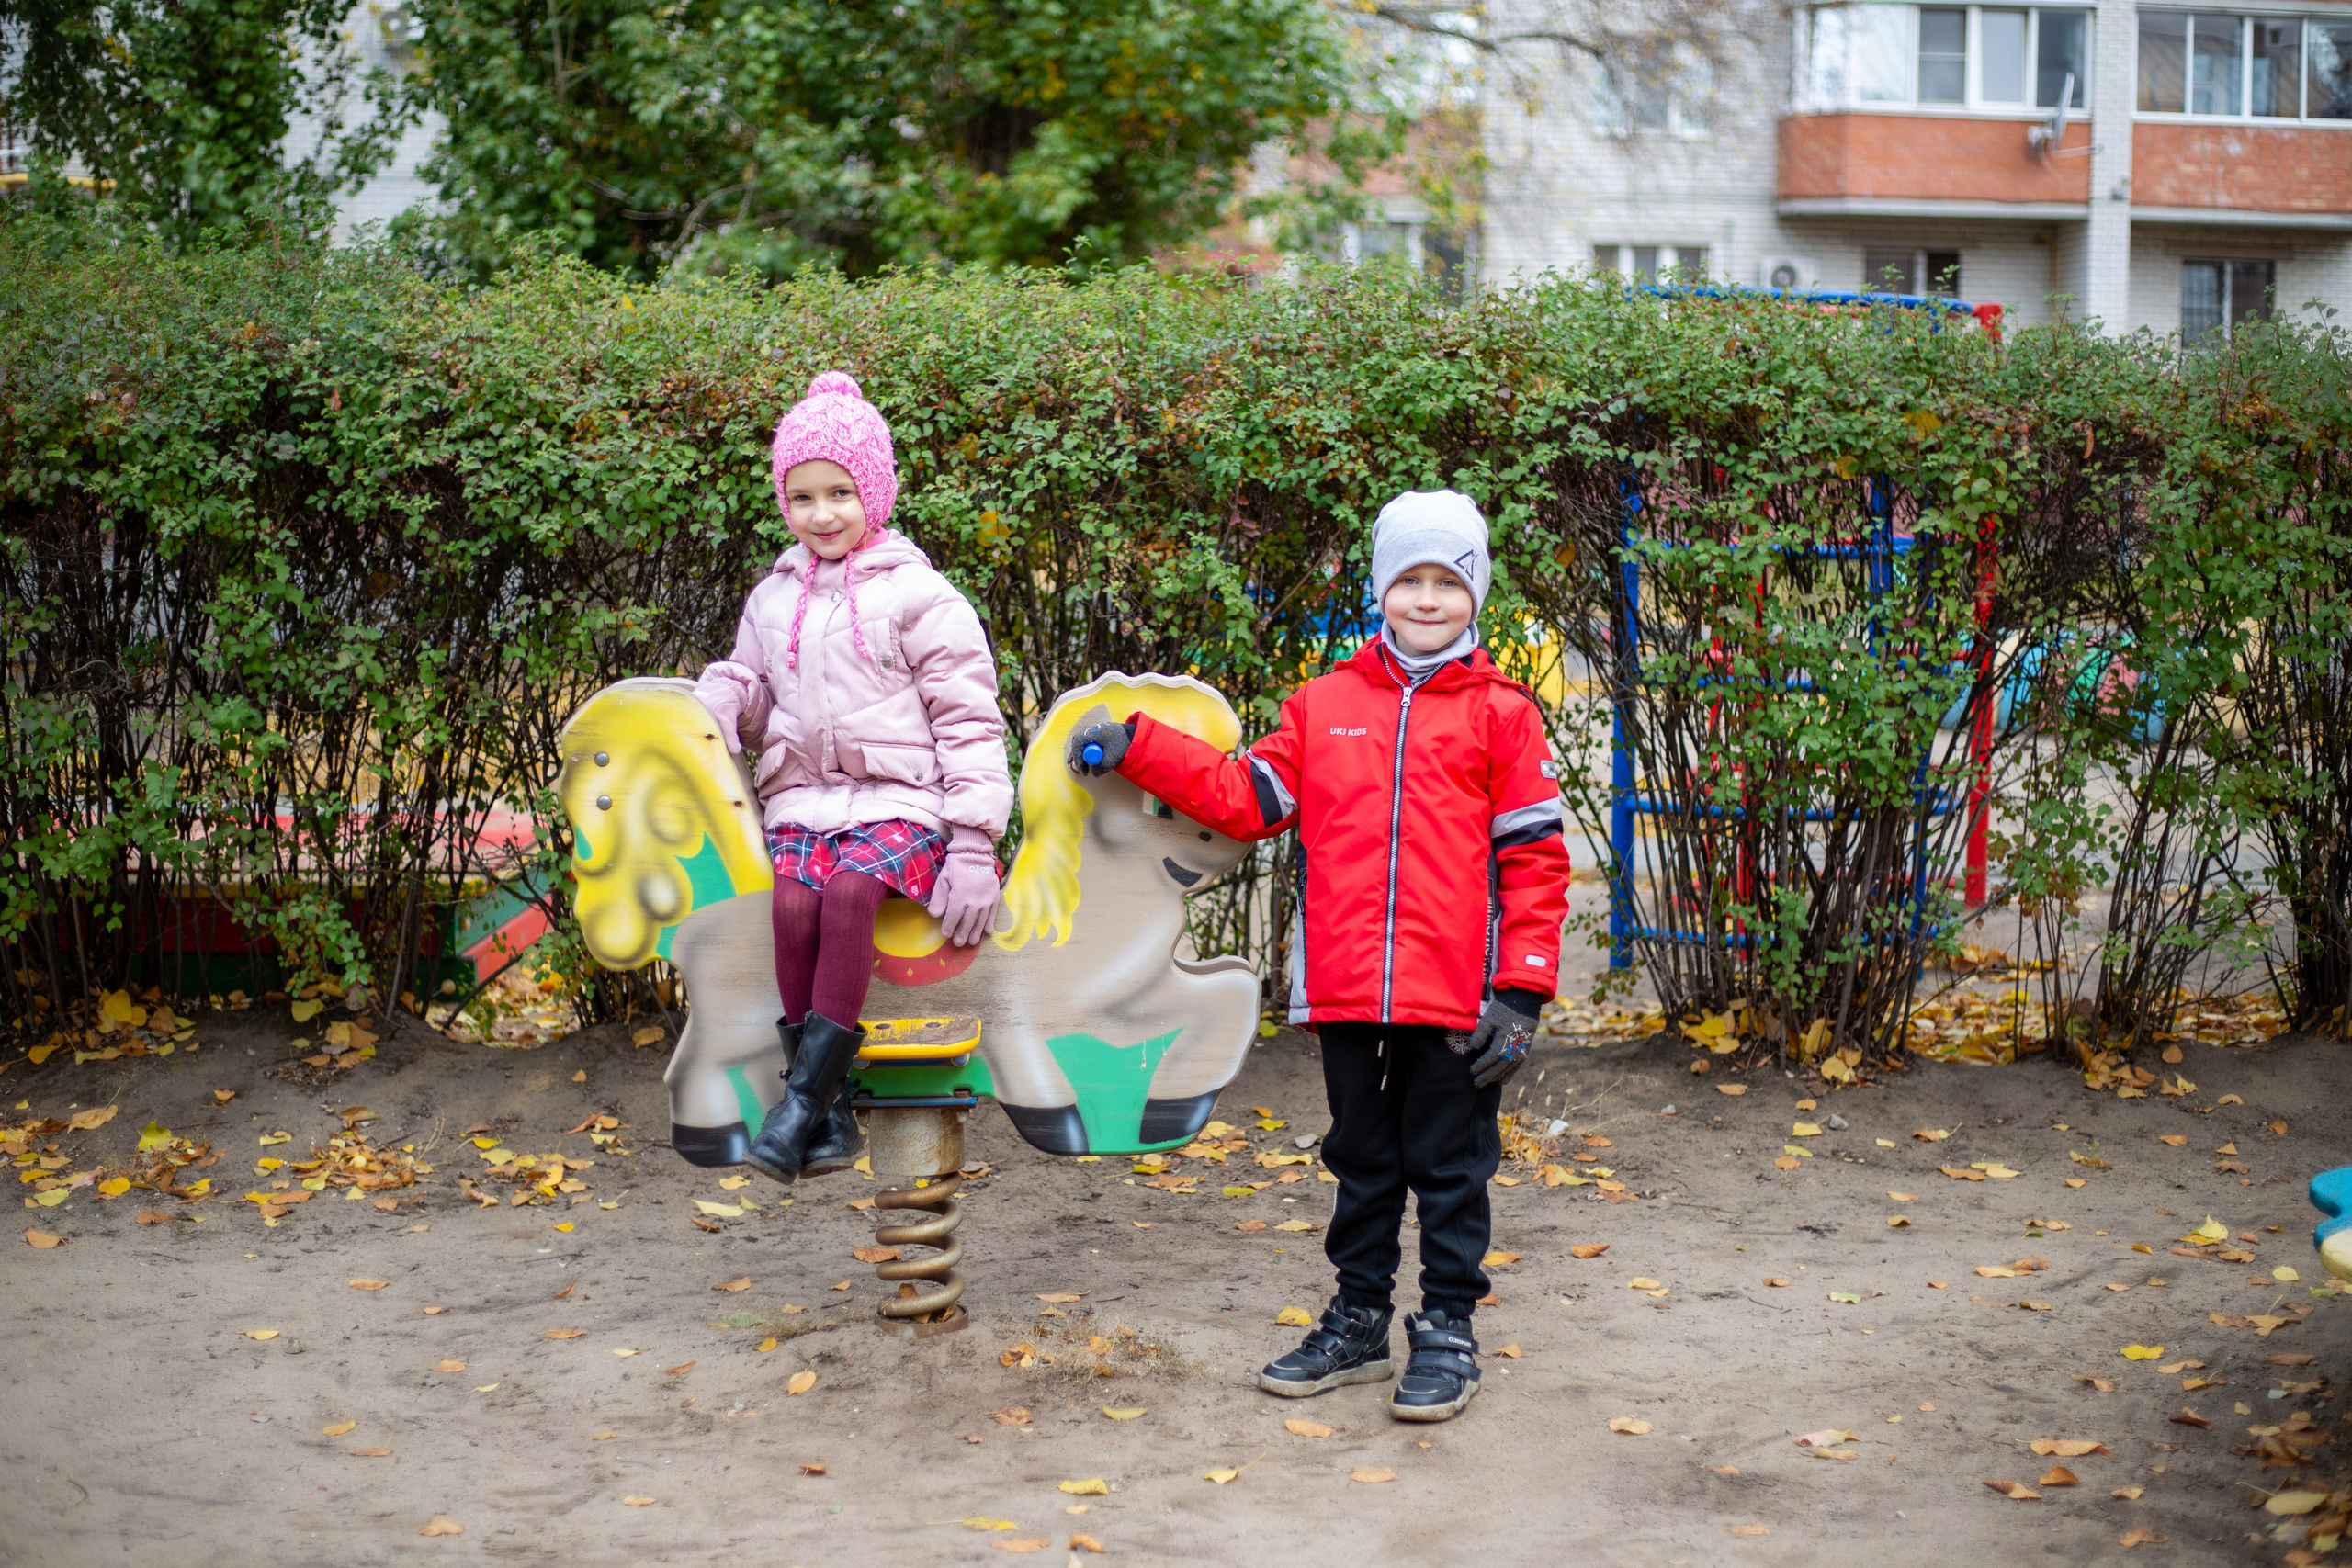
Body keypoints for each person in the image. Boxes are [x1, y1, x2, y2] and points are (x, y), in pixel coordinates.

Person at [1066, 490, 1569, 1422]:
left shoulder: (1503, 714)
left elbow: (1534, 860)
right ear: (1380, 589)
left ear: (1475, 593)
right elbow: (1244, 794)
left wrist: (1522, 992)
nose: (1426, 600)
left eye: (1447, 582)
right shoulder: (1324, 702)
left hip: (1460, 1000)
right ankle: (1359, 1320)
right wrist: (1138, 746)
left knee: (1450, 1167)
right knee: (1360, 1157)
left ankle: (1448, 1328)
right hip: (1343, 988)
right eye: (1408, 580)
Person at [693, 372, 1011, 1184]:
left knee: (849, 893)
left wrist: (973, 842)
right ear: (784, 502)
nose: (822, 513)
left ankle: (798, 1103)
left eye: (840, 492)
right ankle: (827, 1118)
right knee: (794, 900)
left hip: (903, 803)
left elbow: (968, 720)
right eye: (803, 497)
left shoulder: (918, 594)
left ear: (875, 491)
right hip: (807, 802)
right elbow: (762, 696)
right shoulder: (772, 597)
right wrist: (733, 690)